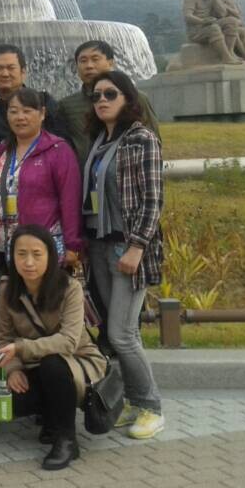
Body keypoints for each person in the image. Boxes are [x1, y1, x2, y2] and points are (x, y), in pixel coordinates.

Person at [82, 70, 165, 439]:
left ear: (128, 98)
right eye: (96, 95)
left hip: (127, 247)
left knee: (122, 333)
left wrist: (137, 247)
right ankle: (132, 399)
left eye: (110, 93)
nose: (101, 100)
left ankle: (152, 407)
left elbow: (153, 200)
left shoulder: (141, 139)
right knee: (121, 332)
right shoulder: (99, 140)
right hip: (100, 246)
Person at [0, 225, 106, 470]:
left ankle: (67, 439)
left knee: (52, 365)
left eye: (37, 254)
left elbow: (68, 341)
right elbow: (3, 339)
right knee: (12, 397)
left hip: (77, 361)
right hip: (32, 364)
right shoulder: (6, 289)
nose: (29, 262)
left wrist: (21, 347)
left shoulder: (70, 288)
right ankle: (50, 418)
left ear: (51, 256)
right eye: (21, 254)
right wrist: (13, 370)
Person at [0, 88, 83, 270]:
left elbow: (70, 199)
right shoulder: (0, 151)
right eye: (14, 111)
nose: (20, 117)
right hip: (6, 243)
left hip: (43, 243)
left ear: (42, 114)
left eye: (27, 111)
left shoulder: (58, 150)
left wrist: (73, 244)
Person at [58, 41, 161, 163]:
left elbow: (153, 136)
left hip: (127, 168)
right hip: (86, 171)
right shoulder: (67, 105)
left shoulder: (134, 97)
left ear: (111, 63)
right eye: (83, 61)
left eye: (95, 59)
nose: (89, 66)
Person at [0, 44, 71, 150]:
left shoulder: (44, 102)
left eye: (11, 68)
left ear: (23, 72)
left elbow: (64, 145)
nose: (5, 74)